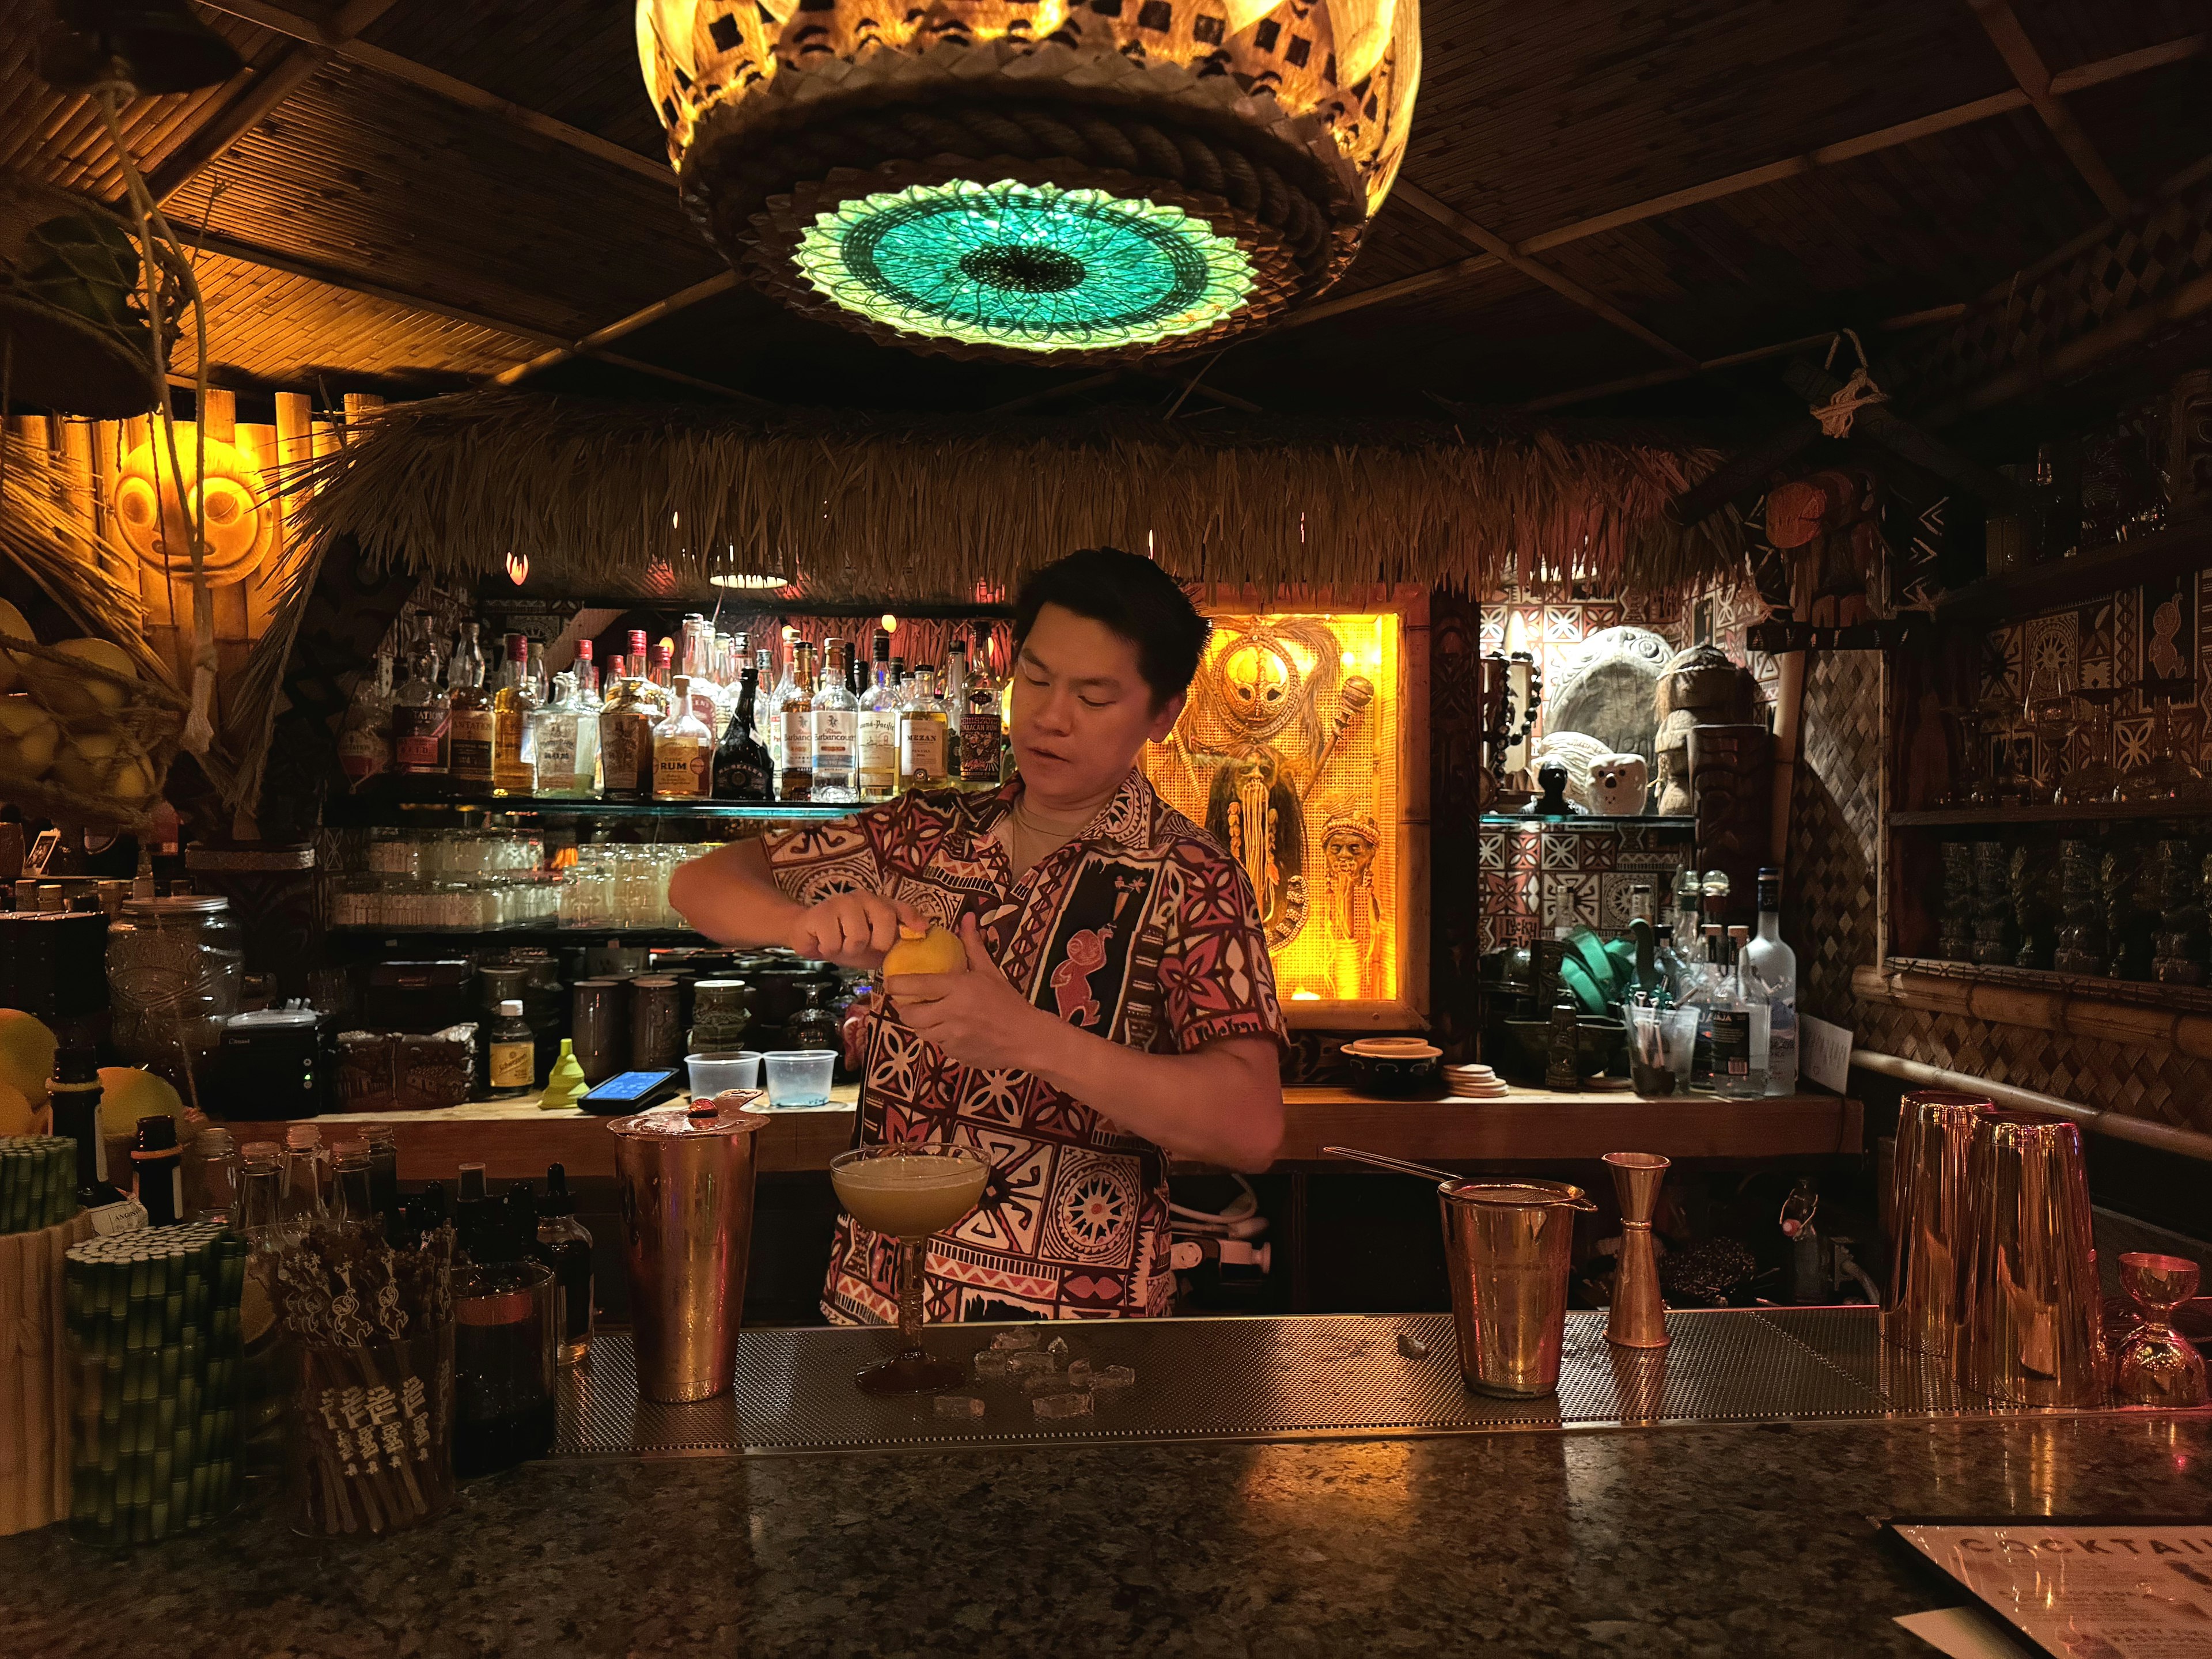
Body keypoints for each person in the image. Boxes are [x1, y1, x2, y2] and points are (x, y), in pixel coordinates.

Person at [670, 547, 1286, 1322]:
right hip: (878, 1310)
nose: (1051, 716)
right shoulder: (921, 836)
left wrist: (1026, 1037)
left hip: (1083, 1346)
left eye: (1094, 697)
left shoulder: (1194, 877)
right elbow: (699, 885)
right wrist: (805, 923)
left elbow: (1251, 1126)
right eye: (1035, 679)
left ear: (1162, 714)